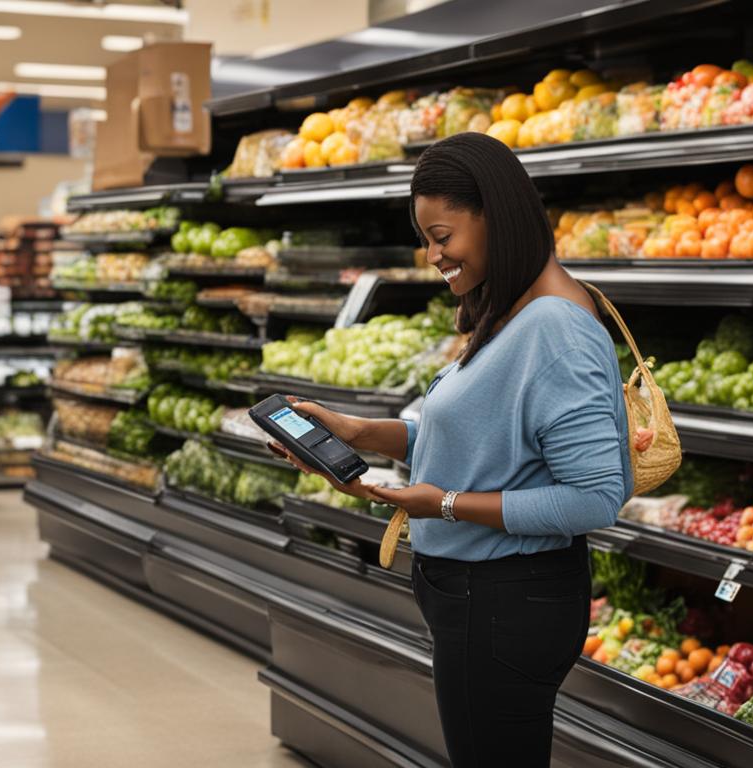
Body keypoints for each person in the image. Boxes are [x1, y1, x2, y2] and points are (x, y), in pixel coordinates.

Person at [267, 131, 632, 767]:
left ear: (499, 215)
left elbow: (595, 497)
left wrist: (449, 505)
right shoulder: (514, 313)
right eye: (427, 239)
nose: (433, 255)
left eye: (443, 235)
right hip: (482, 598)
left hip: (503, 602)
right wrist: (360, 432)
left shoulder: (557, 328)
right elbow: (480, 439)